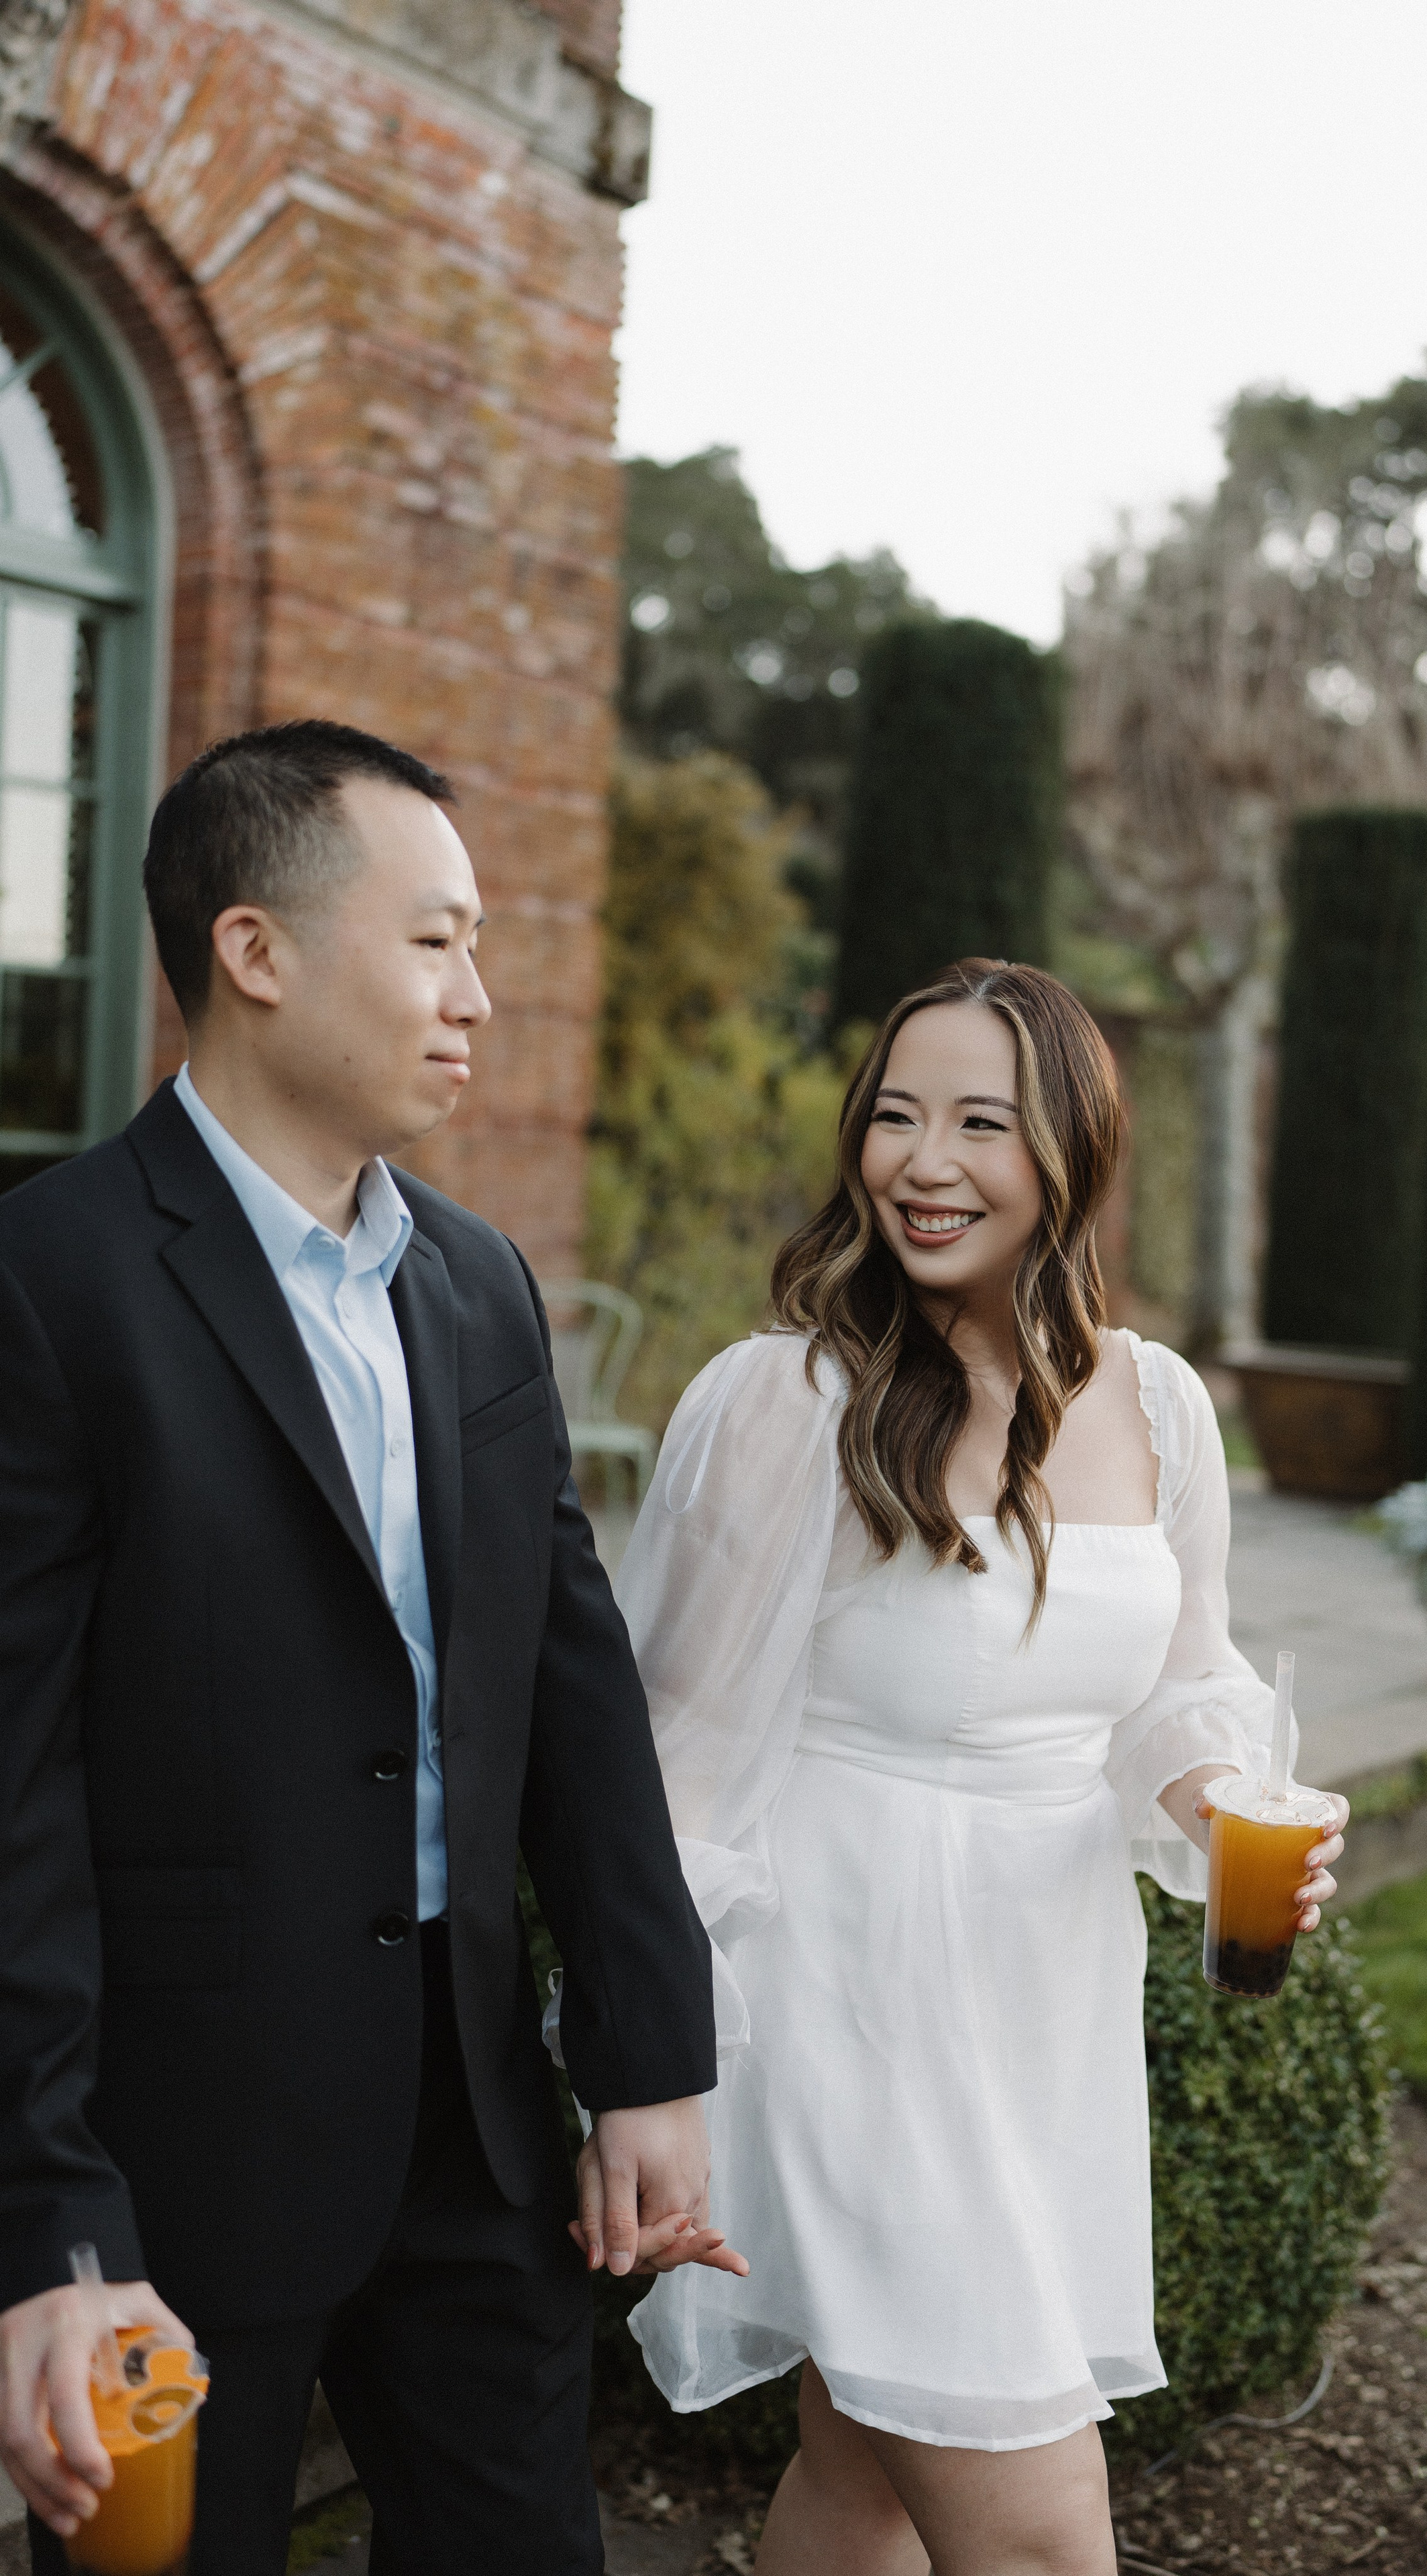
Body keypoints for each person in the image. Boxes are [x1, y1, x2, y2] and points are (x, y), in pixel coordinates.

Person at [0, 722, 739, 2575]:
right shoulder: (46, 1282)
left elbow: (568, 1685)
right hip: (174, 2172)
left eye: (479, 946)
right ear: (254, 951)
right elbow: (10, 1798)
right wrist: (53, 2229)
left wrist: (646, 2054)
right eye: (434, 942)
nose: (477, 996)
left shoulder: (478, 1284)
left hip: (475, 2140)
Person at [607, 958, 1349, 2576]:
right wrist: (647, 2060)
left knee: (861, 2477)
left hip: (1038, 2005)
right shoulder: (785, 1401)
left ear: (1070, 1152)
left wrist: (1218, 1796)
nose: (922, 1164)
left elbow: (1179, 1676)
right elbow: (672, 1763)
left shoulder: (1157, 1403)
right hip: (850, 1996)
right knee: (1037, 2532)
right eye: (895, 1116)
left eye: (979, 1124)